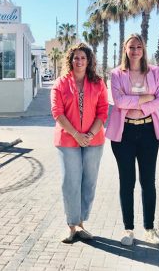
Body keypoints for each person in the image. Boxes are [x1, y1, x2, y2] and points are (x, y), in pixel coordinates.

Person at [106, 33, 159, 246]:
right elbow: (119, 102)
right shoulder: (116, 74)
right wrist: (145, 98)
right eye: (131, 47)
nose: (135, 51)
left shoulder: (155, 71)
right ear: (125, 49)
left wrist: (138, 103)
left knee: (148, 182)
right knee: (127, 182)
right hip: (124, 134)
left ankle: (149, 229)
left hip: (149, 132)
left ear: (143, 49)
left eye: (138, 46)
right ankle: (128, 229)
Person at [51, 43, 108, 243]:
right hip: (68, 140)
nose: (80, 61)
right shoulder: (60, 83)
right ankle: (71, 225)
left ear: (89, 60)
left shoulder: (98, 83)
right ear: (70, 60)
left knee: (89, 182)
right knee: (70, 182)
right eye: (76, 58)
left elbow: (103, 111)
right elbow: (57, 113)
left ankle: (81, 224)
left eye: (83, 58)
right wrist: (76, 134)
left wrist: (90, 134)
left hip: (94, 140)